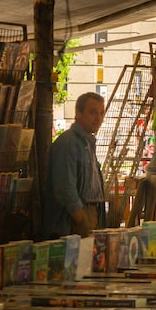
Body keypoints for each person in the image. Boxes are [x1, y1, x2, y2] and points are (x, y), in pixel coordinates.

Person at [43, 92, 107, 238]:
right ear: (78, 113)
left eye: (101, 113)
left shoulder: (87, 144)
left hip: (88, 217)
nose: (98, 118)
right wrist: (82, 223)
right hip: (72, 224)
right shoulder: (68, 144)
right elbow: (66, 191)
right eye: (93, 112)